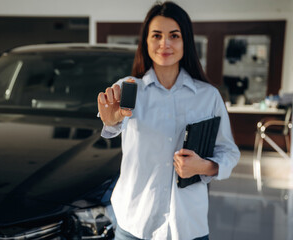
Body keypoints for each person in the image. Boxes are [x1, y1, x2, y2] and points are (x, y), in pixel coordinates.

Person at [97, 1, 240, 239]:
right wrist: (111, 122)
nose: (165, 43)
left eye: (174, 35)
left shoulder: (208, 96)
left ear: (186, 42)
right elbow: (112, 125)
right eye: (156, 35)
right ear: (146, 42)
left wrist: (203, 167)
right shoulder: (129, 88)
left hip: (187, 225)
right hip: (135, 222)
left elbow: (229, 151)